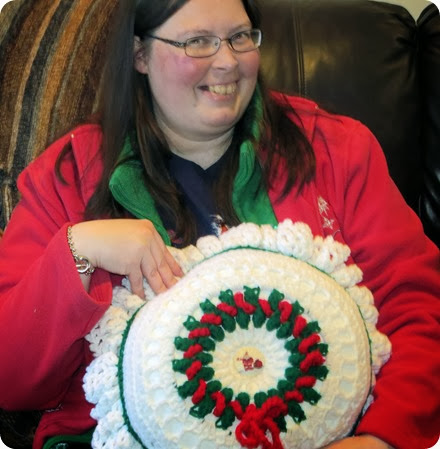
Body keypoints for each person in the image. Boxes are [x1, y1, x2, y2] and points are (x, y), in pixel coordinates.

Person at [0, 0, 439, 448]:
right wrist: (79, 252)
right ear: (139, 54)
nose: (228, 61)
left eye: (240, 37)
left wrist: (382, 438)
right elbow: (10, 378)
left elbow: (419, 309)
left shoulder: (336, 150)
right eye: (198, 41)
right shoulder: (69, 176)